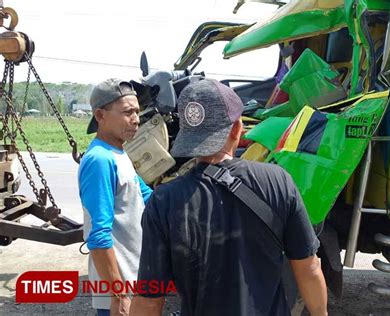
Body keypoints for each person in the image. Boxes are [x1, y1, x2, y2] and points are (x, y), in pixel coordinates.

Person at [130, 78, 328, 316]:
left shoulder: (163, 201)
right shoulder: (279, 181)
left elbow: (149, 300)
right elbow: (309, 268)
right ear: (237, 128)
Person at [79, 78, 152, 316]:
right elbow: (98, 235)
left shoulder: (119, 152)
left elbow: (147, 198)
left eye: (138, 112)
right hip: (120, 289)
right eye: (127, 112)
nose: (136, 119)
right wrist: (118, 296)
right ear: (100, 116)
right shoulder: (100, 160)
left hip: (134, 279)